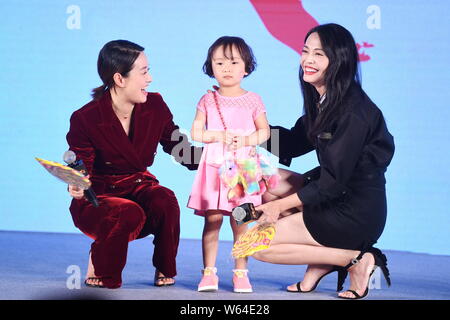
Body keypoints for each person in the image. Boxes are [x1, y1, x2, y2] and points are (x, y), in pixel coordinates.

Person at [251, 23, 395, 299]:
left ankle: (352, 258)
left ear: (338, 61)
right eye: (305, 51)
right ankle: (319, 264)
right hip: (335, 196)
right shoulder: (327, 100)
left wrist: (278, 207)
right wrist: (251, 129)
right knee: (264, 177)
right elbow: (293, 142)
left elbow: (332, 183)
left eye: (319, 54)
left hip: (353, 213)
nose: (308, 60)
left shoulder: (353, 111)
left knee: (256, 246)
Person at [67, 40, 200, 289]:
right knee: (126, 211)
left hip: (138, 187)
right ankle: (102, 263)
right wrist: (77, 184)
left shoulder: (155, 105)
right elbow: (81, 163)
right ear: (120, 78)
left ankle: (165, 266)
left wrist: (215, 159)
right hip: (98, 198)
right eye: (144, 71)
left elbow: (178, 147)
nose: (149, 79)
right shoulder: (85, 117)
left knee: (165, 199)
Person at [187, 36, 270, 293]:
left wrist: (245, 139)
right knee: (212, 220)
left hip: (242, 169)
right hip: (213, 167)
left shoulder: (253, 99)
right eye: (219, 62)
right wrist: (219, 136)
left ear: (246, 67)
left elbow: (265, 132)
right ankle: (209, 272)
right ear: (210, 67)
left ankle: (240, 273)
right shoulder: (207, 100)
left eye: (234, 62)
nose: (227, 68)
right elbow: (196, 133)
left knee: (241, 222)